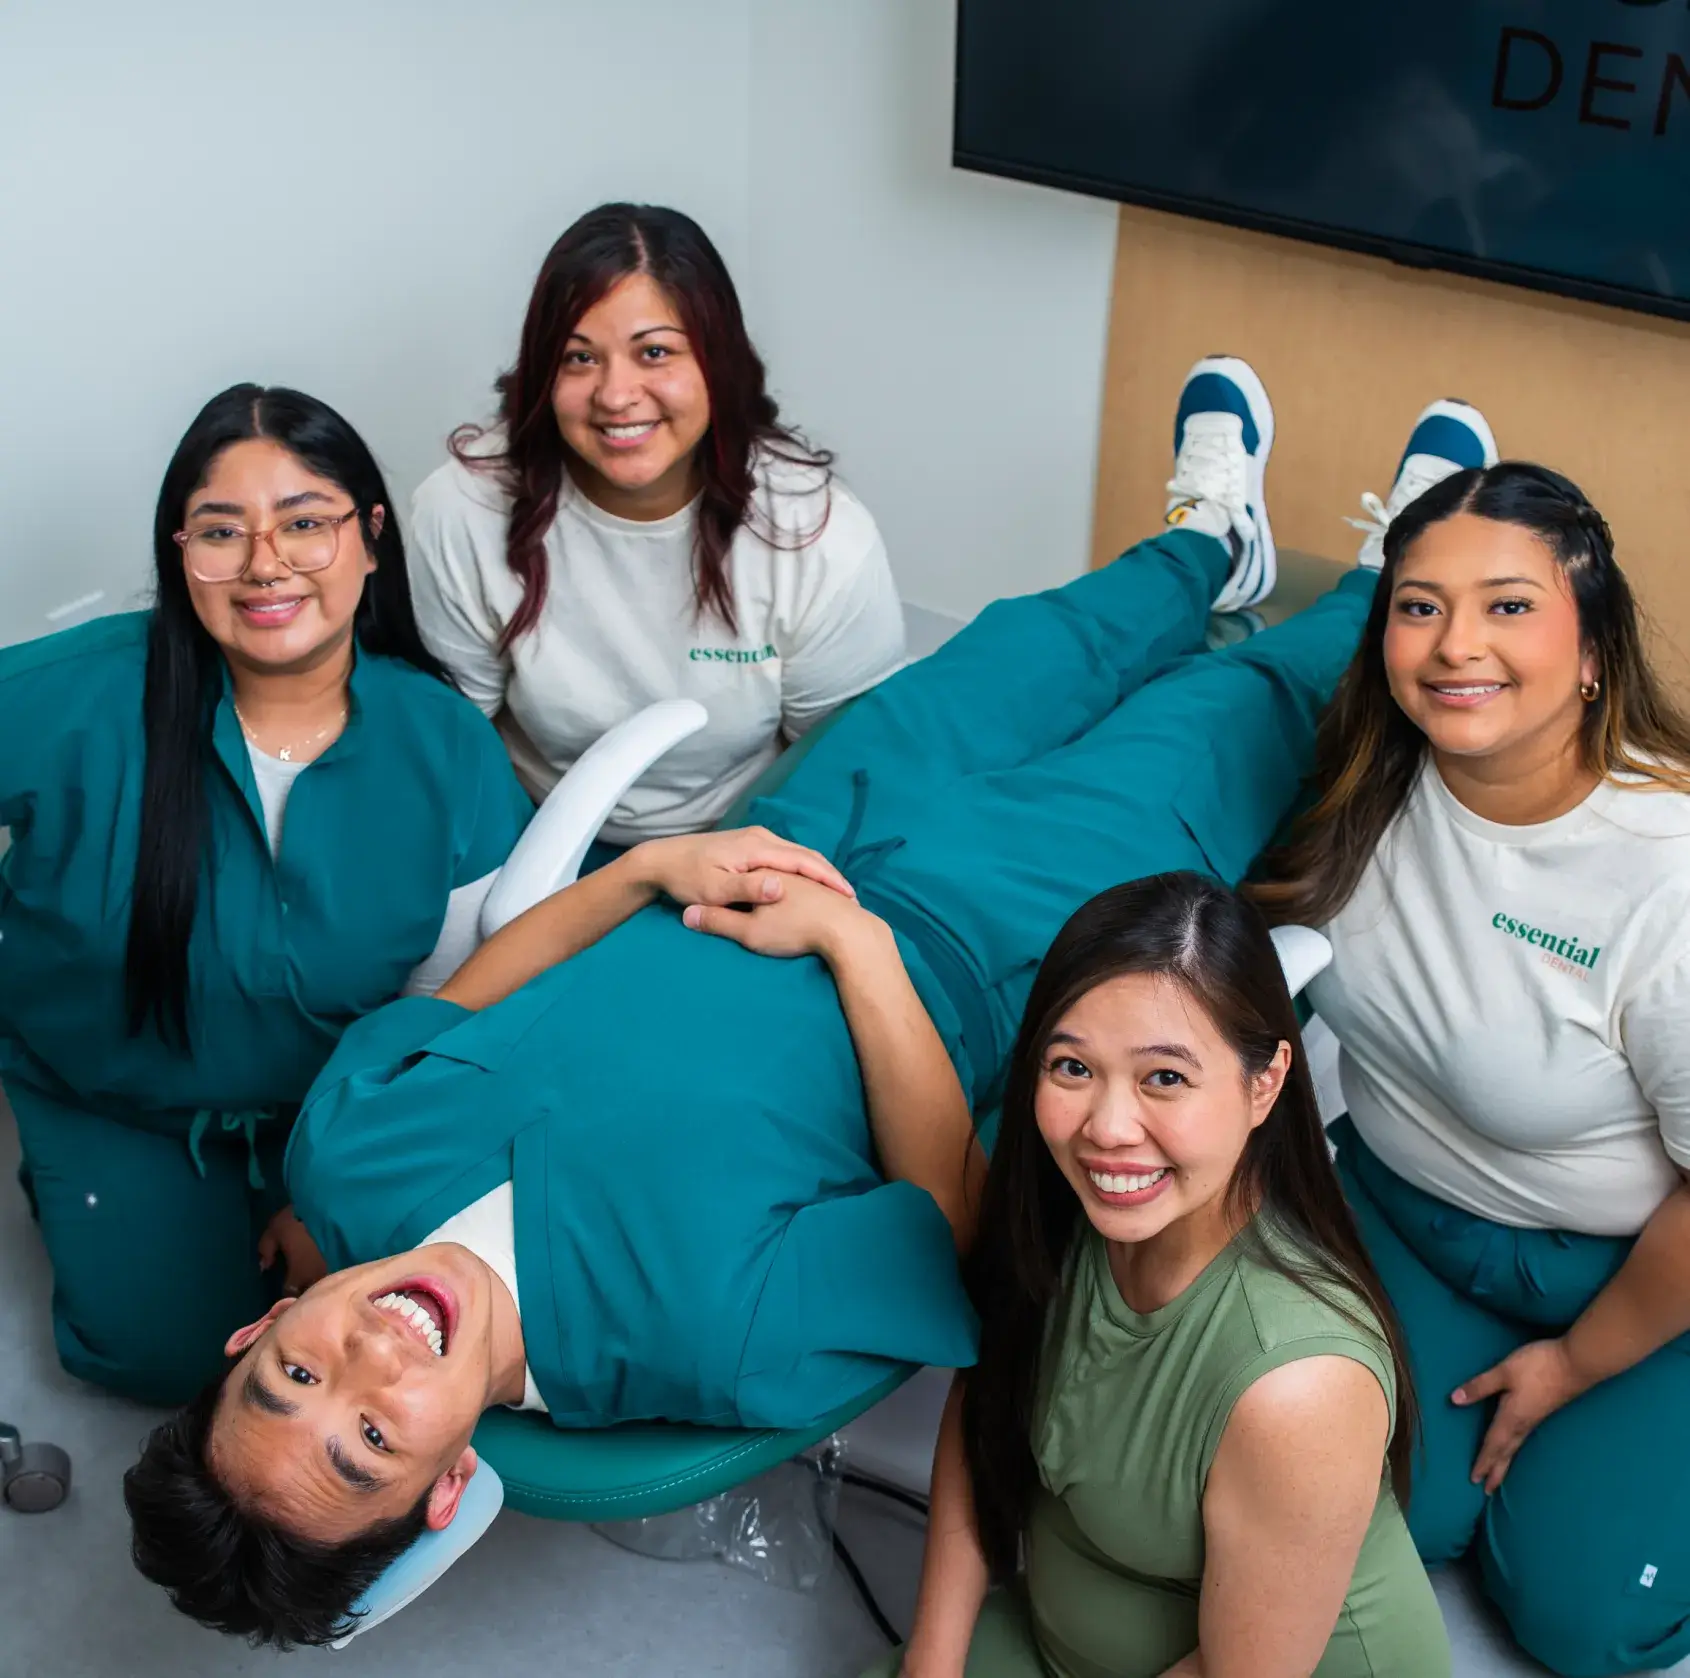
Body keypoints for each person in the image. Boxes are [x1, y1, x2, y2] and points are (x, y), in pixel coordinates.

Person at [123, 357, 1459, 1647]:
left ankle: (1206, 547)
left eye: (292, 1373)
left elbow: (471, 996)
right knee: (1227, 720)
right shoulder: (706, 1338)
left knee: (1030, 644)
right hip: (977, 938)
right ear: (438, 1489)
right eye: (368, 1433)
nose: (365, 1349)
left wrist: (648, 866)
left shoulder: (344, 1154)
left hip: (798, 820)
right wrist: (858, 951)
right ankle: (1388, 574)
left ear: (255, 1331)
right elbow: (957, 1229)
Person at [0, 385, 535, 1404]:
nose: (264, 563)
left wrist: (335, 1182)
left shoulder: (441, 740)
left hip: (329, 1110)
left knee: (364, 1347)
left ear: (369, 538)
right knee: (178, 1364)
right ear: (180, 554)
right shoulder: (82, 692)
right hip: (114, 1096)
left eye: (304, 523)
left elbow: (461, 999)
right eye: (221, 531)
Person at [1253, 461, 1690, 1677]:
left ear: (1593, 644)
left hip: (1645, 1275)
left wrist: (1573, 1366)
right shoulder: (1359, 777)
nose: (1454, 646)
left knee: (1583, 1616)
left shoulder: (1668, 875)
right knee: (1386, 1515)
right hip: (1405, 1213)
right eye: (1417, 604)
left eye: (1507, 605)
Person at [871, 873, 1449, 1678]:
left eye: (1165, 1078)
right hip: (1054, 1641)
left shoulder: (1300, 1387)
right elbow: (984, 1407)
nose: (1106, 1129)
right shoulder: (1070, 1208)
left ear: (1265, 1083)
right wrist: (928, 1667)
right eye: (1072, 1067)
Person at [409, 202, 908, 848]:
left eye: (654, 352)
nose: (616, 395)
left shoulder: (819, 535)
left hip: (743, 837)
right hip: (534, 831)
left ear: (715, 362)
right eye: (579, 359)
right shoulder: (461, 511)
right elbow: (453, 749)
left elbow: (838, 770)